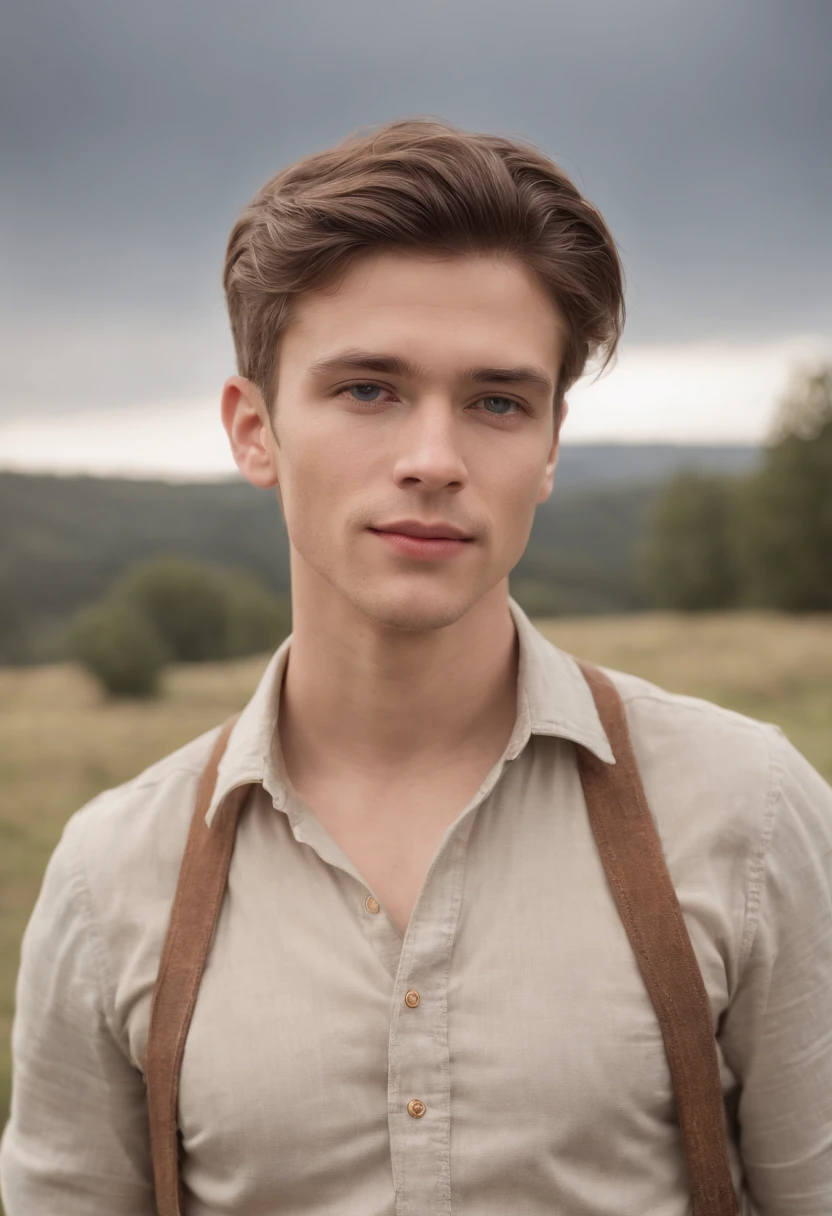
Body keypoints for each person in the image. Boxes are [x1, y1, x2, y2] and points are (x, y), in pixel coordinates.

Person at [2, 118, 831, 1216]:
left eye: (497, 401)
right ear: (254, 430)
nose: (434, 460)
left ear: (547, 448)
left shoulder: (749, 812)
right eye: (368, 390)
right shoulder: (115, 876)